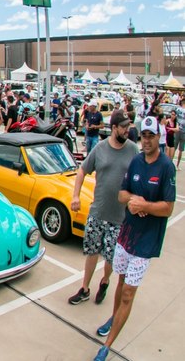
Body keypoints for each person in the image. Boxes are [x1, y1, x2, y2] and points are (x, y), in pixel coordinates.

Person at [92, 116, 176, 361]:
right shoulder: (136, 161)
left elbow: (169, 207)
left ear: (159, 137)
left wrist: (145, 206)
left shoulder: (166, 166)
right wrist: (132, 201)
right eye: (144, 136)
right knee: (120, 282)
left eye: (151, 135)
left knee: (129, 292)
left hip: (146, 241)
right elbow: (121, 194)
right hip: (127, 235)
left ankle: (106, 346)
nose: (147, 140)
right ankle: (114, 317)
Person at [68, 111, 139, 307]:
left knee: (111, 256)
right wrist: (75, 195)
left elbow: (139, 176)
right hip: (98, 211)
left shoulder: (133, 150)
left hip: (120, 217)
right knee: (92, 251)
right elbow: (82, 170)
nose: (127, 130)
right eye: (123, 127)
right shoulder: (100, 148)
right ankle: (84, 288)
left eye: (128, 126)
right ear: (114, 128)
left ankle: (105, 281)